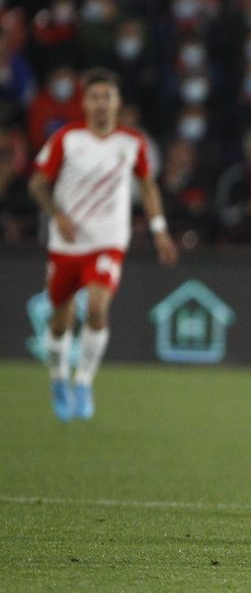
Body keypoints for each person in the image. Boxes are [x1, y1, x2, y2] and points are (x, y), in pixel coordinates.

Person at [29, 69, 178, 421]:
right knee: (60, 320)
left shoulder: (132, 142)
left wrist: (159, 230)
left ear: (118, 102)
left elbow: (148, 186)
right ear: (84, 102)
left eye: (107, 96)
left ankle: (84, 381)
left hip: (108, 240)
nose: (101, 103)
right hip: (67, 244)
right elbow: (37, 184)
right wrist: (57, 214)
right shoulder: (67, 138)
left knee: (97, 307)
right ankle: (58, 378)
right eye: (94, 97)